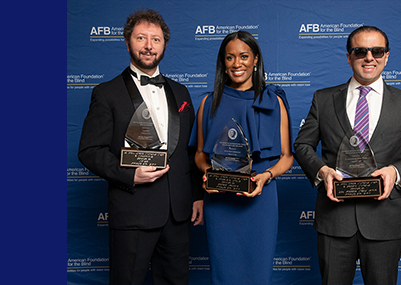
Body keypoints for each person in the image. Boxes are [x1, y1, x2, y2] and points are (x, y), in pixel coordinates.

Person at [293, 26, 401, 285]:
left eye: (377, 51)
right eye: (360, 51)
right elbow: (303, 146)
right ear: (349, 56)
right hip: (334, 220)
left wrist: (395, 172)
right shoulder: (324, 99)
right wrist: (322, 171)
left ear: (387, 56)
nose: (369, 57)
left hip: (384, 219)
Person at [78, 9, 204, 285]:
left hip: (178, 213)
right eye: (141, 38)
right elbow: (89, 150)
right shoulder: (106, 93)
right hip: (133, 210)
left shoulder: (181, 92)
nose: (149, 46)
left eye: (155, 39)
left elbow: (188, 150)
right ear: (127, 43)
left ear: (164, 45)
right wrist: (128, 174)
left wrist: (196, 195)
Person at [193, 30, 293, 284]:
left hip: (261, 201)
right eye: (230, 57)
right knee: (223, 273)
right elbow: (199, 155)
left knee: (258, 274)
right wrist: (208, 174)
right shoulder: (209, 102)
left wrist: (266, 176)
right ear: (223, 62)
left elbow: (286, 158)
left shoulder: (274, 101)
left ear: (256, 59)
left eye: (244, 56)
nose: (237, 64)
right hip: (220, 203)